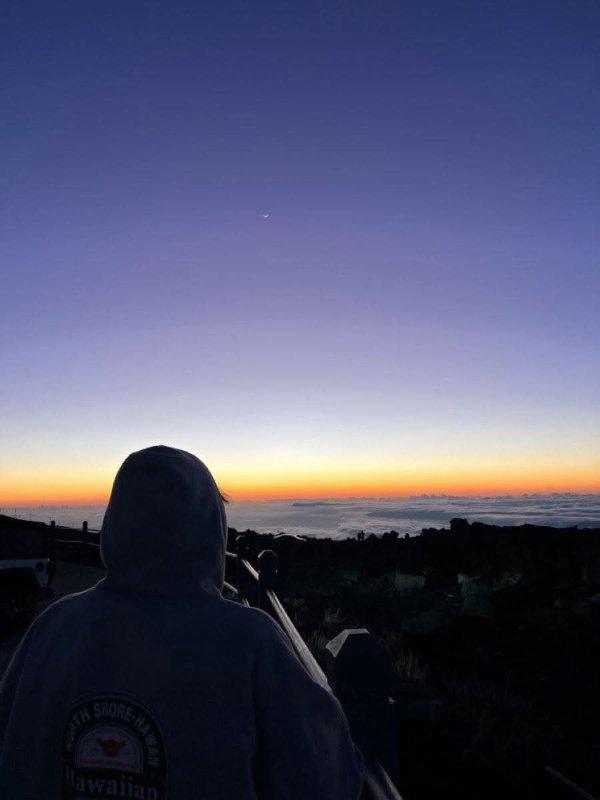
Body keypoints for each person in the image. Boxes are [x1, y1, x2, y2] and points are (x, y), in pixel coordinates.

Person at [0, 445, 363, 799]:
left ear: (116, 523)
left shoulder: (53, 627)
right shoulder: (250, 640)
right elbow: (327, 776)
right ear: (211, 531)